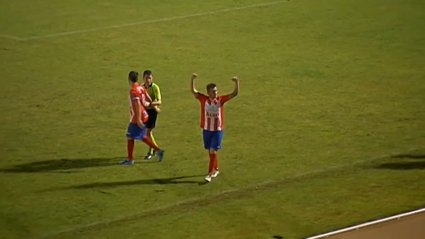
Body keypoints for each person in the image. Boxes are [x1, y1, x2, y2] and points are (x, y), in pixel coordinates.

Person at [190, 73, 240, 182]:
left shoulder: (221, 100)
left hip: (217, 130)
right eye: (213, 91)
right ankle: (216, 169)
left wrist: (237, 83)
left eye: (216, 91)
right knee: (210, 151)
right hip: (207, 130)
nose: (216, 93)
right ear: (208, 92)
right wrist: (192, 79)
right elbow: (194, 91)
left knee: (212, 150)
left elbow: (235, 93)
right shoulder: (204, 99)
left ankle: (209, 174)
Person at [121, 71, 164, 165]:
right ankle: (158, 150)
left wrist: (139, 119)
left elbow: (137, 105)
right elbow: (147, 96)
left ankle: (130, 159)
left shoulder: (133, 91)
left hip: (137, 116)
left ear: (129, 80)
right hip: (143, 114)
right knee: (141, 136)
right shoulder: (140, 87)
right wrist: (148, 103)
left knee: (130, 136)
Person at [142, 70, 162, 160]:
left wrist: (151, 105)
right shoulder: (141, 88)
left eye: (149, 78)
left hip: (152, 112)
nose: (148, 80)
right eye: (146, 78)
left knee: (148, 132)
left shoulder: (155, 88)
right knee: (147, 133)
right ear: (143, 78)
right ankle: (155, 150)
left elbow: (159, 101)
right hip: (144, 112)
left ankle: (152, 151)